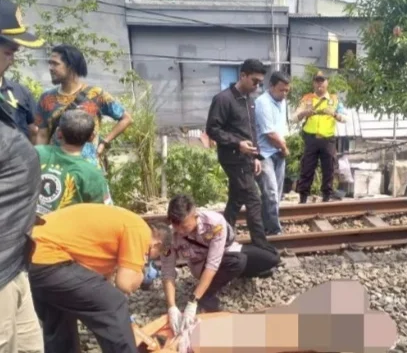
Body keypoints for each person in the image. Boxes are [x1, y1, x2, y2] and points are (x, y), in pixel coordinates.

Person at [28, 203, 171, 353]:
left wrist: (126, 321)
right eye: (153, 256)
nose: (147, 259)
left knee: (60, 322)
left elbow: (98, 284)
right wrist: (141, 272)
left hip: (32, 254)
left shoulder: (121, 226)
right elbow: (124, 284)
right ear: (157, 245)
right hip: (49, 257)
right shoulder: (140, 230)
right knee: (113, 304)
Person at [162, 194, 280, 335]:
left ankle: (236, 274)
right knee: (238, 261)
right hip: (200, 265)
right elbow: (168, 271)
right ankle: (206, 295)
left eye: (184, 227)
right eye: (177, 227)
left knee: (271, 258)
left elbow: (213, 262)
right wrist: (172, 307)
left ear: (195, 215)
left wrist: (191, 302)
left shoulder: (214, 222)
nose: (180, 231)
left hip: (226, 252)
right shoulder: (169, 236)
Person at [0, 0, 45, 353]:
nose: (13, 57)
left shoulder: (8, 94)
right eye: (7, 48)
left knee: (29, 345)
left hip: (14, 261)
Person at [206, 58, 278, 256]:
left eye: (260, 83)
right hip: (232, 157)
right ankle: (261, 245)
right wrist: (237, 144)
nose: (257, 86)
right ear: (243, 75)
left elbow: (250, 131)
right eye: (254, 81)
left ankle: (222, 236)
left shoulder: (249, 101)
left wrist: (255, 156)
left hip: (247, 157)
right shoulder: (223, 99)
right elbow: (212, 129)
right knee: (254, 200)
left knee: (236, 199)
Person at [34, 44, 133, 169]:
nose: (50, 68)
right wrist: (38, 164)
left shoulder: (96, 94)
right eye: (50, 63)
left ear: (70, 66)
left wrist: (104, 142)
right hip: (56, 169)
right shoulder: (47, 98)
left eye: (55, 64)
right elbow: (42, 134)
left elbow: (126, 119)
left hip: (87, 167)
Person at [36, 109, 113, 214]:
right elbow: (104, 213)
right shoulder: (93, 174)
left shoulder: (37, 153)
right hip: (65, 229)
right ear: (91, 137)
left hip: (27, 227)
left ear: (58, 133)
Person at [292, 70, 346, 204]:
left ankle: (327, 197)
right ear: (313, 83)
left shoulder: (334, 99)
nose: (319, 84)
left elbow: (345, 118)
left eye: (322, 81)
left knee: (329, 169)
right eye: (317, 81)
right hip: (311, 139)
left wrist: (334, 114)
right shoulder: (307, 99)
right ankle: (303, 198)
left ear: (327, 83)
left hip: (328, 139)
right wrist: (304, 113)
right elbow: (293, 118)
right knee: (307, 168)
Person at [255, 71, 291, 235]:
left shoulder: (282, 102)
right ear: (271, 86)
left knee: (276, 194)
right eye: (281, 90)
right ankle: (275, 230)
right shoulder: (263, 103)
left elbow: (280, 127)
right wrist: (284, 148)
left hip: (278, 152)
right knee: (270, 193)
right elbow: (269, 134)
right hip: (265, 154)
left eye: (286, 90)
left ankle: (266, 227)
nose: (284, 94)